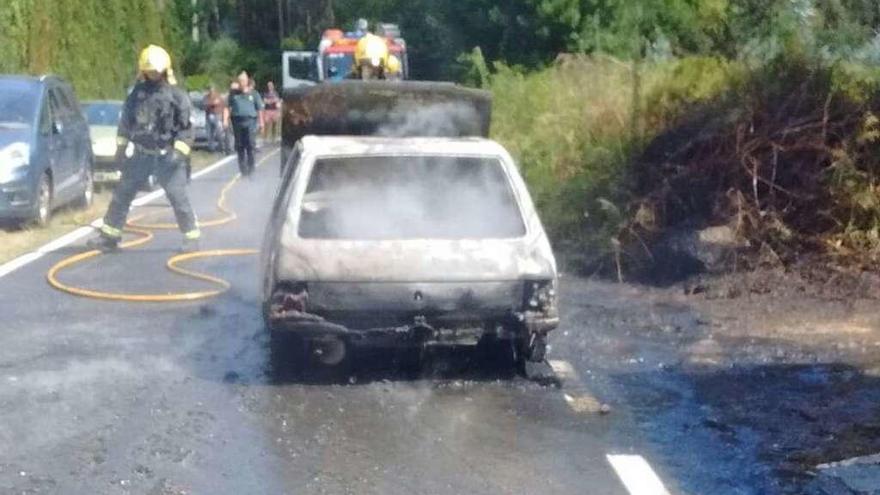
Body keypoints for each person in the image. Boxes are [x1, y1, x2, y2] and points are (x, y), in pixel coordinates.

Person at [87, 44, 200, 253]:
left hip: (167, 156)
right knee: (122, 194)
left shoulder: (177, 96)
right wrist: (120, 149)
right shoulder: (136, 95)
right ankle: (110, 236)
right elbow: (126, 123)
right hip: (141, 155)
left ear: (165, 70)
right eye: (149, 71)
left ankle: (191, 236)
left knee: (177, 197)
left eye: (156, 71)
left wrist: (178, 153)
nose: (152, 74)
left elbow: (187, 129)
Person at [225, 71, 264, 177]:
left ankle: (251, 169)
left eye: (243, 80)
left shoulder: (254, 93)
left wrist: (261, 122)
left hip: (250, 121)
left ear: (247, 81)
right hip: (237, 121)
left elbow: (259, 109)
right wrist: (225, 120)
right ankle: (243, 170)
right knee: (240, 146)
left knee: (250, 145)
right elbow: (227, 107)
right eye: (240, 81)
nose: (241, 82)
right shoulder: (233, 94)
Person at [203, 85, 228, 153]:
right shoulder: (206, 97)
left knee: (219, 132)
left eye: (213, 90)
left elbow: (223, 105)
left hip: (218, 115)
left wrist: (224, 117)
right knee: (210, 133)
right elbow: (204, 105)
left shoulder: (219, 97)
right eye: (210, 90)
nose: (211, 91)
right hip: (208, 116)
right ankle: (211, 148)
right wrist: (212, 104)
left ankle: (221, 147)